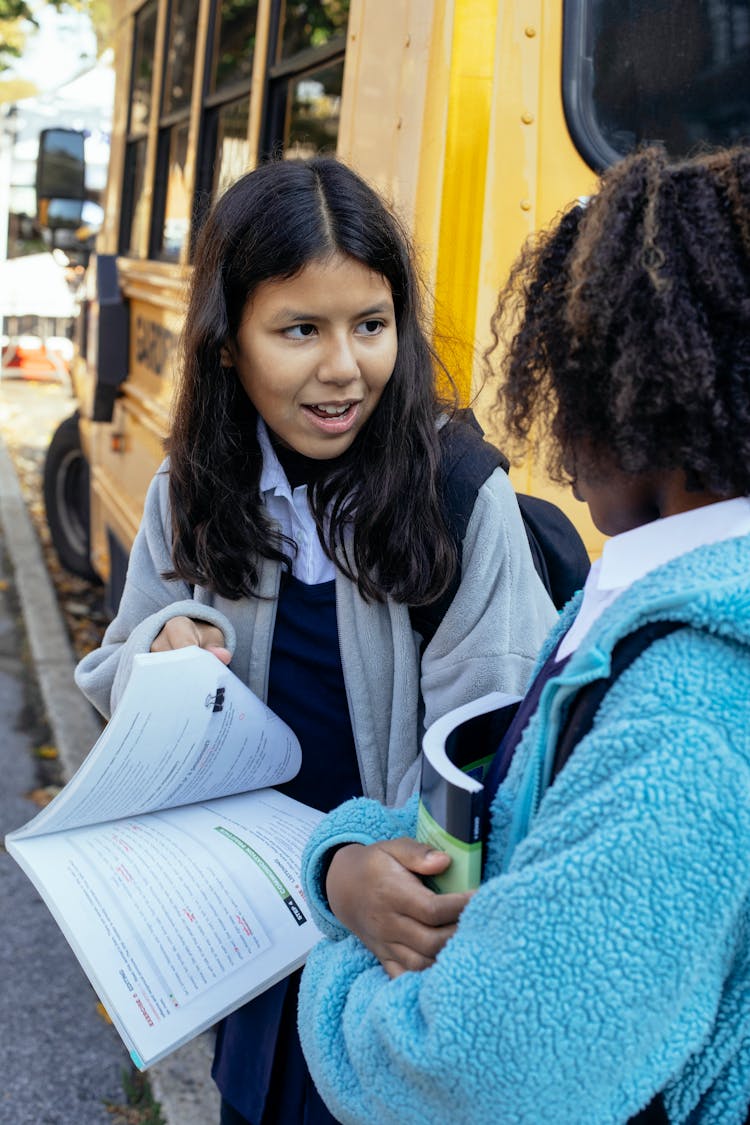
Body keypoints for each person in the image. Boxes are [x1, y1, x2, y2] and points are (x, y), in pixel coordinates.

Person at [74, 156, 556, 1125]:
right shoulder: (191, 495)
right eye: (300, 330)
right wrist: (160, 648)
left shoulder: (458, 502)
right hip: (259, 965)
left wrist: (364, 880)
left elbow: (493, 778)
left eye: (370, 326)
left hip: (400, 988)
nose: (344, 368)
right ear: (226, 346)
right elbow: (119, 671)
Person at [296, 144, 750, 1124]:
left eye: (571, 386)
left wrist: (332, 983)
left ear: (643, 396)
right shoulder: (674, 605)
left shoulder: (691, 705)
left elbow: (478, 1076)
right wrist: (345, 860)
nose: (555, 438)